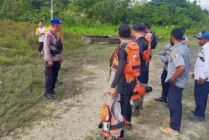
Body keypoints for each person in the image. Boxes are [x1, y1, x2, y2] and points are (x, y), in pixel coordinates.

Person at [109, 24, 139, 139]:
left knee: (120, 108)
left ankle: (120, 135)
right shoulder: (133, 45)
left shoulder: (123, 49)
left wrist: (113, 86)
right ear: (130, 34)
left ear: (118, 34)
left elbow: (121, 68)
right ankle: (129, 122)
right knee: (126, 102)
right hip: (132, 79)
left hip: (124, 81)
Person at [160, 28, 190, 136]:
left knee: (174, 104)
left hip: (176, 82)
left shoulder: (176, 51)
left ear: (172, 37)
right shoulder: (184, 47)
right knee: (175, 102)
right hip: (180, 82)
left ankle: (174, 128)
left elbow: (181, 67)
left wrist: (172, 78)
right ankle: (173, 119)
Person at [188, 32, 209, 121]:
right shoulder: (204, 47)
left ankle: (199, 115)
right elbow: (201, 61)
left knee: (200, 95)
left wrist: (203, 76)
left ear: (207, 39)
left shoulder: (207, 48)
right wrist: (195, 73)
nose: (198, 41)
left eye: (201, 39)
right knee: (201, 95)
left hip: (203, 77)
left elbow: (207, 63)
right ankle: (199, 111)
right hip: (200, 75)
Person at [43, 18, 63, 99]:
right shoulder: (49, 34)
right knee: (49, 76)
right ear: (56, 25)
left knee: (55, 75)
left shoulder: (57, 35)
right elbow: (46, 47)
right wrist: (49, 59)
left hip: (56, 59)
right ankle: (47, 92)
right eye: (59, 25)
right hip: (51, 60)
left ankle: (52, 90)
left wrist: (60, 58)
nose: (60, 27)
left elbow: (58, 48)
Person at [131, 24, 149, 110]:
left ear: (134, 31)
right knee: (142, 87)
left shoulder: (138, 43)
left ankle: (136, 107)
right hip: (144, 67)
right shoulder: (145, 40)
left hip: (139, 69)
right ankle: (140, 104)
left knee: (137, 88)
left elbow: (136, 57)